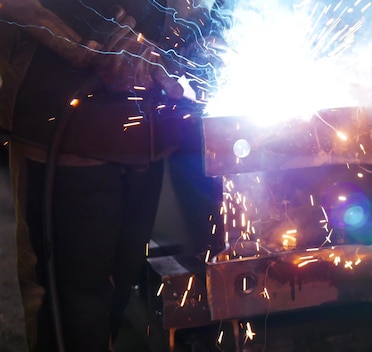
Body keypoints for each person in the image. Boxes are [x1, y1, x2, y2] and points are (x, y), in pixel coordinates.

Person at [0, 0, 225, 350]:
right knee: (72, 312)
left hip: (142, 132)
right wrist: (103, 34)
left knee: (116, 296)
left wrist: (198, 32)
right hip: (65, 128)